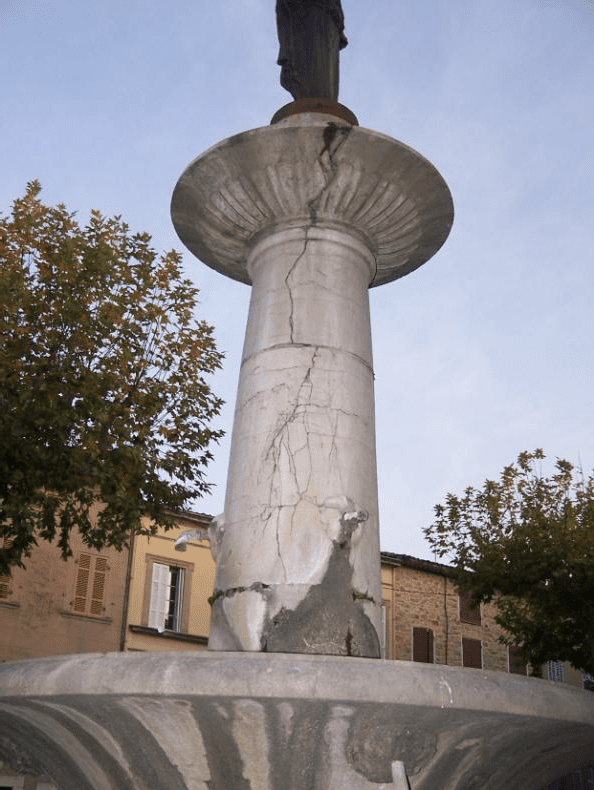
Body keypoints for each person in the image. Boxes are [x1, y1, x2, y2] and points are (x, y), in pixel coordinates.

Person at [276, 0, 348, 101]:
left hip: (327, 21)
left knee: (326, 73)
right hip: (306, 16)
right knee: (308, 68)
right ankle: (313, 100)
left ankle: (324, 103)